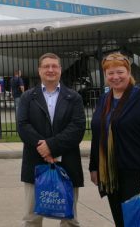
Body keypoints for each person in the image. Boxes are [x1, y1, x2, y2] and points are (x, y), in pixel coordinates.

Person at [89, 52, 140, 227]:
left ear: (129, 72)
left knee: (138, 222)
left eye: (120, 72)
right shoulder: (104, 99)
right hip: (111, 172)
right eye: (110, 73)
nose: (115, 77)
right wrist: (94, 167)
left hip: (136, 172)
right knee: (120, 220)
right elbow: (97, 134)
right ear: (105, 76)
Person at [17, 53, 85, 227]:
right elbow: (23, 126)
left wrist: (52, 147)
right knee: (32, 217)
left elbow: (77, 128)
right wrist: (44, 148)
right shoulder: (28, 97)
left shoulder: (73, 98)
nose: (50, 70)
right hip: (35, 164)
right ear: (39, 71)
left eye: (54, 66)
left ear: (60, 70)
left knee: (69, 217)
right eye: (46, 66)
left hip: (67, 163)